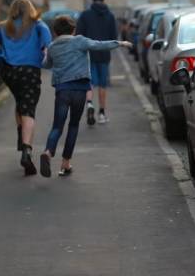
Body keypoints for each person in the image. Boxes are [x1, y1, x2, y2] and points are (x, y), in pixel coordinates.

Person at [40, 16, 131, 176]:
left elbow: (46, 65)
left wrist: (45, 53)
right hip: (80, 90)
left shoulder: (53, 46)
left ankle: (48, 152)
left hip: (62, 90)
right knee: (73, 125)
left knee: (57, 126)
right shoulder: (80, 41)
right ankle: (66, 163)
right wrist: (120, 43)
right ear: (73, 30)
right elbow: (99, 45)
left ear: (54, 32)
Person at [0, 0, 52, 177]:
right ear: (30, 9)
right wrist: (46, 55)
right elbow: (48, 44)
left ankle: (21, 136)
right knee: (28, 110)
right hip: (29, 72)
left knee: (20, 101)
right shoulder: (38, 25)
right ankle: (27, 150)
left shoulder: (3, 27)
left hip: (9, 72)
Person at [75, 0, 119, 125]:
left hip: (89, 53)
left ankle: (89, 104)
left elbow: (79, 35)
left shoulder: (85, 15)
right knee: (102, 84)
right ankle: (102, 113)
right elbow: (114, 36)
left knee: (90, 82)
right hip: (104, 53)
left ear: (92, 0)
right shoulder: (110, 16)